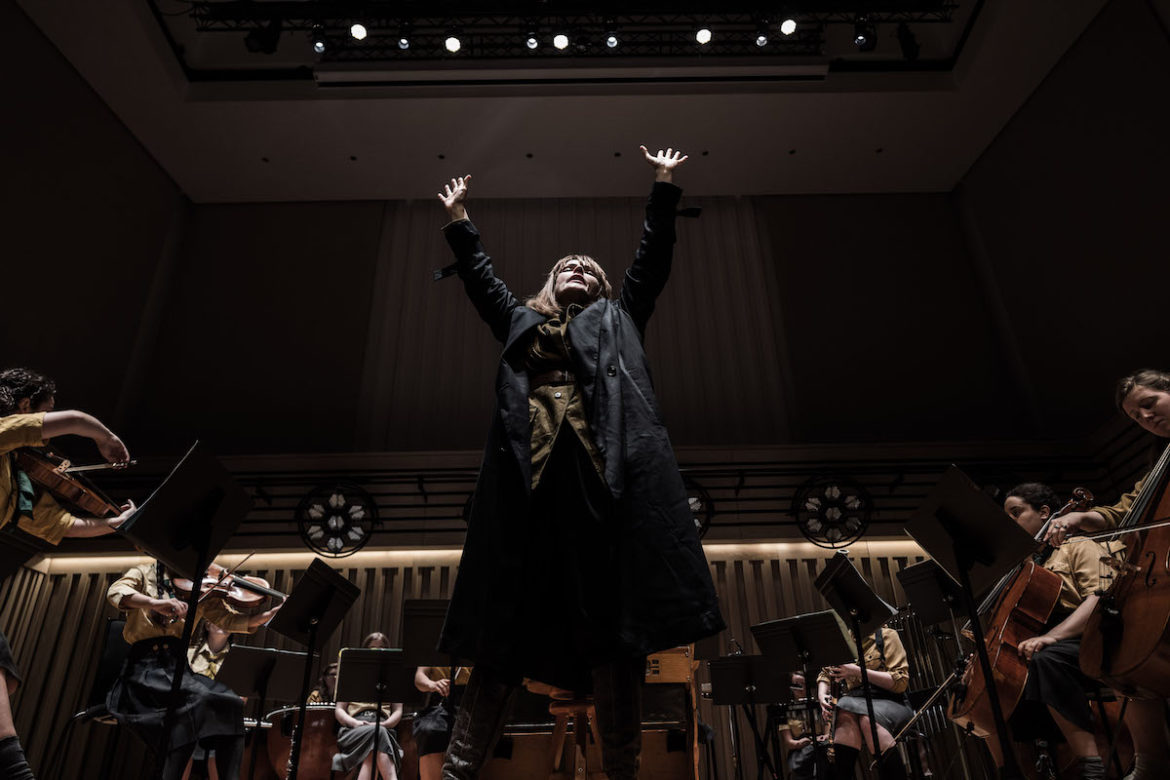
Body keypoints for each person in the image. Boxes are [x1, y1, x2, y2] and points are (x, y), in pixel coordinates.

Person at [433, 146, 724, 780]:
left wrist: (663, 185)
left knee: (616, 634)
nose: (576, 269)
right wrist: (459, 220)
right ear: (548, 286)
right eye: (566, 266)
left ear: (600, 289)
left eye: (588, 269)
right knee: (502, 631)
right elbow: (482, 282)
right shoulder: (520, 321)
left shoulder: (620, 317)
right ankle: (457, 773)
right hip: (530, 490)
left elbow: (651, 262)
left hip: (603, 491)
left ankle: (622, 772)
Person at [0, 367, 135, 779]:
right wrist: (106, 438)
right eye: (44, 412)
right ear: (25, 406)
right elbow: (75, 420)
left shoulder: (15, 474)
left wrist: (111, 524)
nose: (45, 442)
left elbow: (59, 524)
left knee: (5, 679)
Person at [1043, 368, 1170, 780]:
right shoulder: (1159, 467)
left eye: (1149, 404)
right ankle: (1152, 762)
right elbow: (1124, 513)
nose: (1145, 418)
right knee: (1117, 654)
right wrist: (1080, 517)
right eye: (1136, 416)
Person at [106, 561, 281, 780]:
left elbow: (229, 620)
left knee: (232, 702)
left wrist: (268, 615)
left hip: (179, 668)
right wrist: (154, 603)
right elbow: (116, 592)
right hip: (145, 669)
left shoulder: (199, 586)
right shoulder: (144, 571)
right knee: (195, 702)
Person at [999, 482, 1124, 780]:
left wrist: (1052, 637)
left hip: (1090, 635)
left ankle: (1091, 766)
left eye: (1016, 513)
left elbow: (1099, 599)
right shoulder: (1025, 565)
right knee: (1003, 678)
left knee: (1047, 661)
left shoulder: (1077, 546)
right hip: (1046, 642)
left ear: (1044, 512)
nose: (1010, 522)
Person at [817, 626, 913, 780]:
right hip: (855, 702)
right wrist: (822, 694)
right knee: (845, 712)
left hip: (891, 700)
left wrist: (856, 671)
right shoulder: (843, 641)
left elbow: (900, 683)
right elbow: (825, 673)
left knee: (866, 719)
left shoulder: (887, 635)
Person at [332, 632, 403, 780]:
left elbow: (397, 711)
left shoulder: (394, 677)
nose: (376, 651)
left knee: (374, 743)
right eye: (372, 648)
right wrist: (355, 723)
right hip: (354, 728)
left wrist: (384, 724)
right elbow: (339, 710)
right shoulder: (351, 674)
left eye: (381, 647)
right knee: (377, 735)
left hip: (384, 727)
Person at [413, 665, 472, 780]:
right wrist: (432, 684)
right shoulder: (432, 653)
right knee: (428, 731)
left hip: (472, 700)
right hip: (441, 700)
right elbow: (419, 677)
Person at [778, 672, 826, 780]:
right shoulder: (784, 711)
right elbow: (789, 742)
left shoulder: (819, 705)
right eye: (796, 684)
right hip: (800, 751)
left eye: (803, 684)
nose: (800, 688)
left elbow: (827, 732)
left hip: (820, 746)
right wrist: (801, 743)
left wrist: (821, 739)